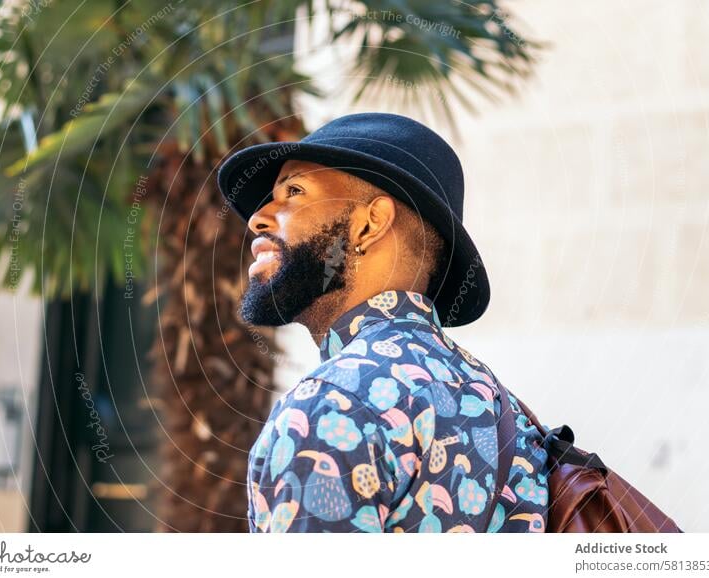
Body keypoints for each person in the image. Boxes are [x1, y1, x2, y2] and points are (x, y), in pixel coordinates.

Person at [216, 112, 549, 533]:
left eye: (294, 191)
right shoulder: (501, 405)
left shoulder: (330, 408)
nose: (257, 218)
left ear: (369, 225)